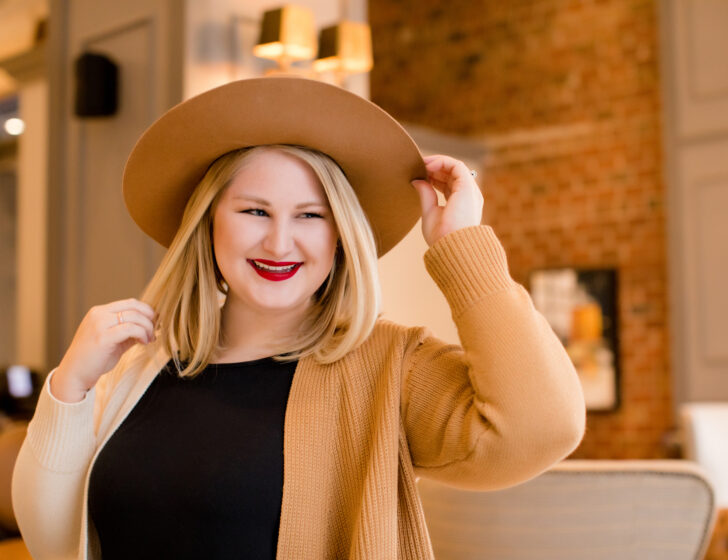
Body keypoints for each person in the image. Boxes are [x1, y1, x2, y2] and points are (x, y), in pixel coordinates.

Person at [11, 76, 585, 559]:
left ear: (340, 237)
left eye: (310, 215)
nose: (280, 241)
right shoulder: (142, 367)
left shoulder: (389, 366)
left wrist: (462, 246)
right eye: (255, 210)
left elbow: (542, 429)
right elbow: (51, 542)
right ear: (209, 225)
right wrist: (70, 387)